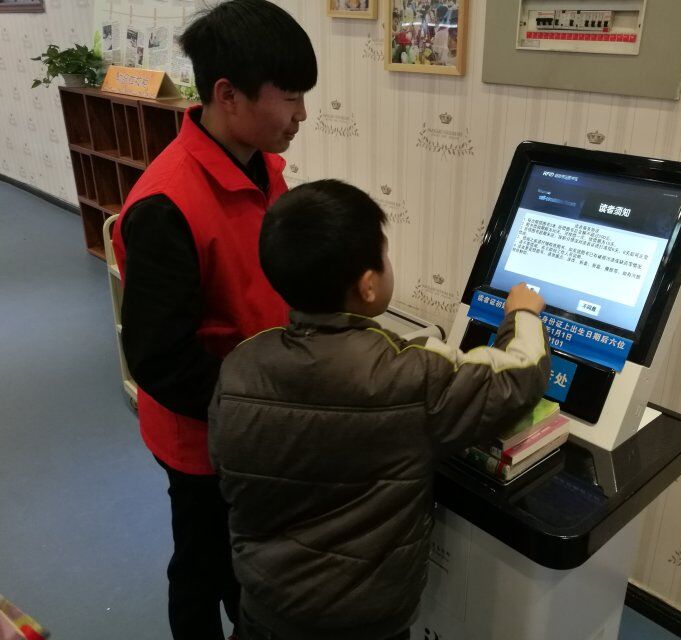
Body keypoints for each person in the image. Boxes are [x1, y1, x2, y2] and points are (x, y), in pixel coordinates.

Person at [208, 179, 552, 640]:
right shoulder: (409, 373)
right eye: (385, 256)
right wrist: (523, 313)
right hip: (365, 620)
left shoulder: (240, 365)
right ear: (368, 286)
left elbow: (228, 465)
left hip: (266, 607)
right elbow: (519, 376)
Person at [110, 1, 317, 639]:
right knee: (203, 562)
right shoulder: (165, 206)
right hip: (203, 435)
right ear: (227, 95)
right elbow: (159, 360)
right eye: (290, 97)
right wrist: (263, 406)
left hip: (256, 418)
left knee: (246, 561)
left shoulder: (263, 166)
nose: (302, 115)